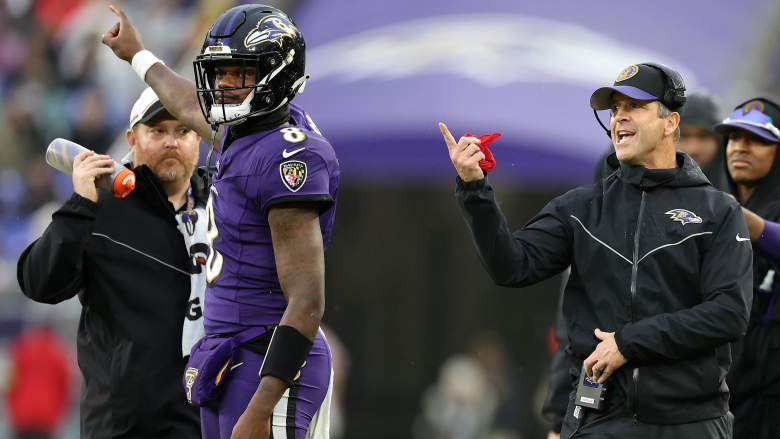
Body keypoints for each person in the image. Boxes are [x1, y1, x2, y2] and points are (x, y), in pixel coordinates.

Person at [440, 63, 752, 438]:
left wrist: (628, 342)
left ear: (670, 123)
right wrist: (475, 190)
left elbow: (729, 313)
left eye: (634, 106)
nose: (620, 116)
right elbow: (512, 266)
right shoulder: (580, 207)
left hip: (692, 421)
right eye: (615, 108)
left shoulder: (718, 210)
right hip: (601, 418)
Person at [102, 4, 339, 439]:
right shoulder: (247, 131)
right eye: (220, 72)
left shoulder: (289, 158)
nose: (225, 85)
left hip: (269, 360)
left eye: (239, 73)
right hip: (231, 352)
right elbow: (188, 102)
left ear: (277, 74)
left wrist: (260, 410)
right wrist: (137, 54)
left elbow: (306, 300)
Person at [16, 88, 207, 438]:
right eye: (157, 131)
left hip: (204, 425)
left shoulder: (222, 212)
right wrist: (79, 207)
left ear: (199, 139)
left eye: (182, 131)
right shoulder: (98, 208)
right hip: (121, 428)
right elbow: (39, 283)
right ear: (131, 138)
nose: (171, 142)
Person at [543, 91, 727, 439]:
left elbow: (730, 313)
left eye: (704, 136)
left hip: (699, 410)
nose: (693, 146)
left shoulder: (725, 214)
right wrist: (557, 417)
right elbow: (573, 332)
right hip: (611, 411)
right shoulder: (595, 224)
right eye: (687, 135)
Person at [712, 97, 780, 439]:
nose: (741, 148)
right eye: (734, 138)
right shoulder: (716, 202)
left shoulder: (726, 209)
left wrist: (751, 224)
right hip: (725, 389)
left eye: (757, 140)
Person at [5, 323, 76, 439]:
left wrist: (12, 409)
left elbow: (10, 383)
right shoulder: (59, 354)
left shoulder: (21, 350)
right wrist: (60, 413)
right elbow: (65, 388)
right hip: (47, 418)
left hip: (22, 416)